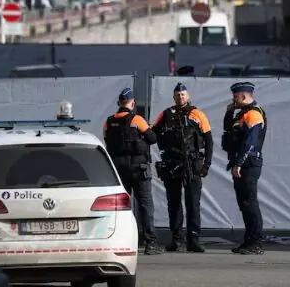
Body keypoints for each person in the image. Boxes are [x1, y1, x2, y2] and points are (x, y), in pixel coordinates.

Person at [152, 83, 213, 253]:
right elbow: (152, 134)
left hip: (192, 165)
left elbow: (208, 140)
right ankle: (177, 240)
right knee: (174, 203)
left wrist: (207, 164)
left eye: (183, 95)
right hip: (172, 165)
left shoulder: (197, 114)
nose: (181, 98)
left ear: (188, 96)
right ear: (174, 97)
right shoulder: (165, 114)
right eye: (178, 95)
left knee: (193, 203)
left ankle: (194, 239)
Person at [103, 88, 162, 255]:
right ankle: (150, 242)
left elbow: (107, 139)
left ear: (119, 102)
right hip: (139, 169)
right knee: (145, 206)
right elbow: (152, 138)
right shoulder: (137, 119)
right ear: (132, 102)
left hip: (120, 171)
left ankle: (123, 240)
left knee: (122, 208)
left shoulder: (109, 121)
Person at [221, 81, 267, 255]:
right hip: (241, 163)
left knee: (250, 202)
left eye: (235, 97)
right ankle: (249, 240)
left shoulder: (254, 114)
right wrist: (229, 112)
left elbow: (250, 142)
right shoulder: (242, 114)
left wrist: (239, 163)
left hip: (248, 164)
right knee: (244, 204)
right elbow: (228, 130)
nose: (233, 99)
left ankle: (256, 241)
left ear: (244, 96)